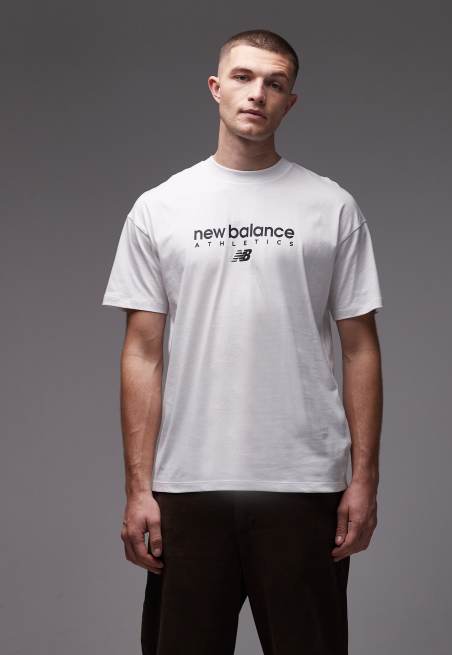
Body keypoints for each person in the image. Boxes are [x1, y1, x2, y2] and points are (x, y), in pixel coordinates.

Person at [101, 28, 384, 655]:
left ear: (290, 101)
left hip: (305, 484)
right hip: (188, 484)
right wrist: (139, 487)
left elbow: (360, 348)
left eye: (275, 83)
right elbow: (142, 353)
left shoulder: (331, 206)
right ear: (215, 87)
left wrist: (363, 480)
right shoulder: (160, 208)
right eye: (243, 77)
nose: (257, 93)